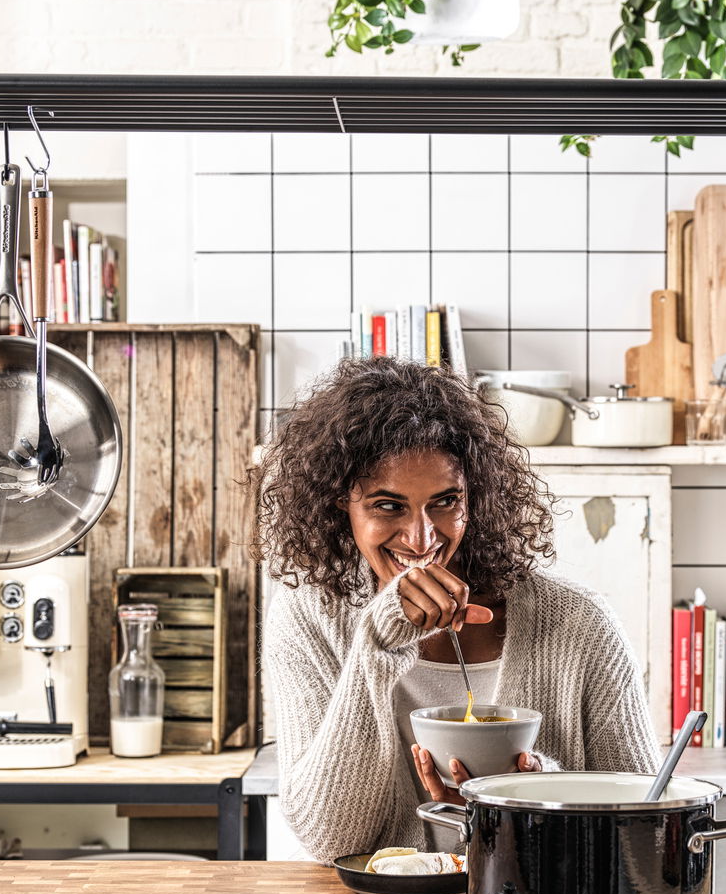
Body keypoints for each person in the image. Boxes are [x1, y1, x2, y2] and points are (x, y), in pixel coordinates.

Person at [255, 358, 659, 863]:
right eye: (388, 506)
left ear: (477, 497)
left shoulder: (579, 624)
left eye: (445, 502)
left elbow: (650, 828)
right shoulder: (305, 619)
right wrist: (378, 642)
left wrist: (534, 801)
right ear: (342, 503)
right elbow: (329, 838)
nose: (422, 538)